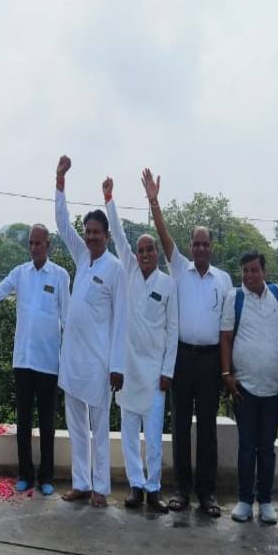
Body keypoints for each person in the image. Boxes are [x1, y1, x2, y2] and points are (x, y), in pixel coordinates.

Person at [146, 170, 233, 516]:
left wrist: (226, 370)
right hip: (182, 359)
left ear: (212, 247)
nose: (200, 248)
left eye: (205, 244)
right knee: (180, 426)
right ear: (190, 246)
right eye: (195, 244)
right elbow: (163, 236)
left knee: (207, 429)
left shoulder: (223, 280)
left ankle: (207, 495)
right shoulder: (179, 268)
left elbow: (227, 330)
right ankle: (181, 491)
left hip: (210, 362)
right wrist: (154, 201)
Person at [54, 156, 127, 509]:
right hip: (72, 359)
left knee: (100, 430)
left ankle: (101, 488)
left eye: (97, 232)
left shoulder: (116, 269)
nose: (91, 237)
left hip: (100, 363)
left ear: (107, 236)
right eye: (88, 232)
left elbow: (122, 320)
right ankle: (81, 483)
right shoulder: (82, 257)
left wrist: (117, 366)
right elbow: (61, 223)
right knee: (76, 427)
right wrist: (60, 181)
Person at [106, 173, 178, 512]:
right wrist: (109, 199)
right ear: (134, 254)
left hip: (155, 375)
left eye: (150, 249)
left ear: (156, 253)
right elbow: (117, 234)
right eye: (141, 250)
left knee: (154, 437)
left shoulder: (168, 284)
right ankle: (135, 486)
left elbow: (173, 331)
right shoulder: (130, 272)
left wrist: (167, 372)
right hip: (128, 371)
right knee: (129, 434)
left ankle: (154, 489)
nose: (145, 254)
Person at [0, 223, 70, 496]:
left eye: (38, 243)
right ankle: (25, 474)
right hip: (23, 360)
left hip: (49, 361)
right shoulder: (19, 273)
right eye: (31, 243)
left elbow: (67, 318)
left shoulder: (60, 275)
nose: (34, 248)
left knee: (47, 423)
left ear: (48, 245)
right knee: (23, 421)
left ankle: (46, 477)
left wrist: (68, 357)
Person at [220, 252, 278, 524]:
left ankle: (266, 501)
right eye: (245, 270)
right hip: (244, 388)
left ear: (264, 272)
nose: (249, 275)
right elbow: (225, 338)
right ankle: (245, 500)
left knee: (267, 448)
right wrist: (227, 374)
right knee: (247, 446)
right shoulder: (234, 298)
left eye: (254, 270)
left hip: (274, 389)